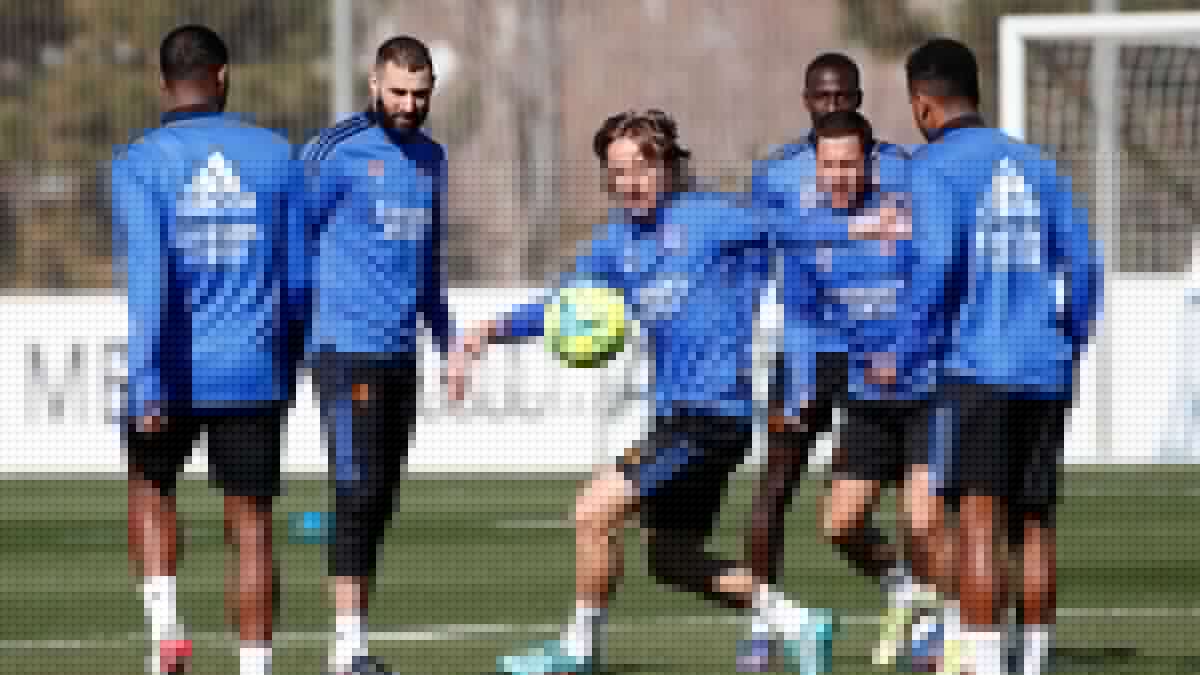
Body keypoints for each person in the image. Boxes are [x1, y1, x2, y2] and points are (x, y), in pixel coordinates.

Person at [452, 109, 897, 675]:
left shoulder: (712, 218)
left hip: (711, 417)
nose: (631, 181)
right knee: (670, 558)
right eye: (618, 172)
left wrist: (861, 227)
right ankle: (796, 622)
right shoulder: (616, 244)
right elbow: (560, 308)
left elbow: (792, 229)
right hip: (679, 417)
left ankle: (577, 650)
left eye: (643, 166)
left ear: (668, 165)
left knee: (591, 515)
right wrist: (486, 332)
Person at [900, 38, 1102, 675]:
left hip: (977, 368)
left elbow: (936, 265)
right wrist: (1069, 337)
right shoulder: (1037, 161)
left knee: (978, 527)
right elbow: (1087, 264)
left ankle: (985, 667)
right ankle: (1031, 664)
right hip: (1046, 367)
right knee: (1034, 525)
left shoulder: (932, 167)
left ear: (923, 106)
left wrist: (908, 346)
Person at [114, 25, 307, 675]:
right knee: (251, 526)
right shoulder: (279, 156)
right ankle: (255, 669)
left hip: (168, 370)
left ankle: (168, 637)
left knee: (149, 487)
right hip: (254, 370)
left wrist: (145, 380)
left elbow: (148, 278)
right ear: (222, 75)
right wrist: (291, 357)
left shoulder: (140, 161)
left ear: (161, 80)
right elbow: (300, 279)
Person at [744, 52, 934, 672]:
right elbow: (763, 246)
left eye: (844, 97)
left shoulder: (904, 171)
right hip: (805, 349)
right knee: (775, 484)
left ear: (860, 99)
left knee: (910, 500)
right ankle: (762, 622)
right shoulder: (775, 173)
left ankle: (925, 620)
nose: (833, 107)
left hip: (878, 347)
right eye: (822, 99)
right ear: (806, 101)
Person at [299, 35, 453, 675]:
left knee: (382, 496)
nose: (409, 105)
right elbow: (292, 239)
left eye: (420, 95)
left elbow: (428, 257)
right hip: (343, 347)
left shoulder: (432, 158)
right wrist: (291, 330)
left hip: (399, 351)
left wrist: (444, 335)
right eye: (398, 92)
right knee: (356, 491)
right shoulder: (331, 153)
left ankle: (355, 643)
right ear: (373, 83)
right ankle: (347, 651)